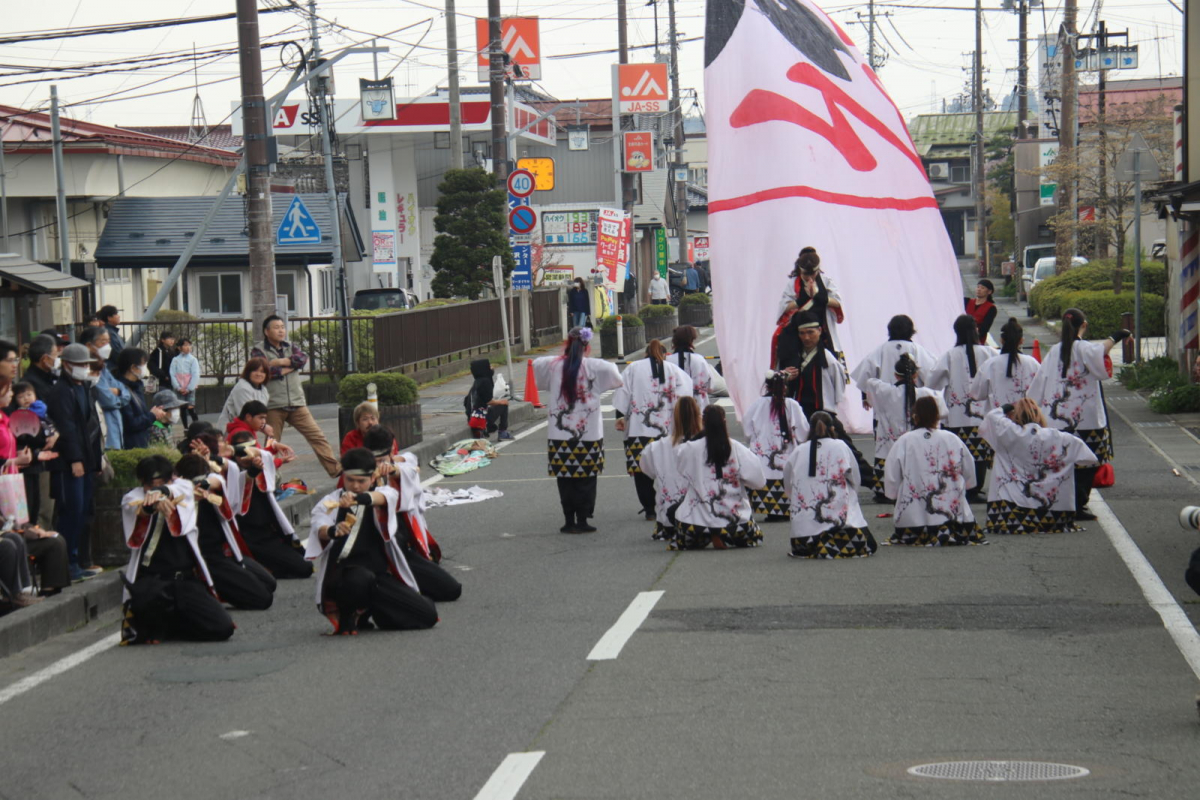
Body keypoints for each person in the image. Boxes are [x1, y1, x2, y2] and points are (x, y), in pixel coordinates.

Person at [306, 447, 438, 635]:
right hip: (346, 579)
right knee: (359, 578)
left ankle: (376, 612)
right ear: (343, 477)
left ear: (372, 479)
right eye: (350, 480)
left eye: (361, 481)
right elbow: (320, 527)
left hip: (378, 577)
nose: (356, 485)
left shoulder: (384, 494)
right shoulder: (330, 502)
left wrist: (359, 498)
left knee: (427, 615)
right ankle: (348, 614)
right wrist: (333, 530)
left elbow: (383, 497)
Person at [119, 454, 234, 644]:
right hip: (153, 583)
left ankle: (177, 623)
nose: (154, 487)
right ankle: (163, 622)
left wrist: (162, 491)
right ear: (141, 482)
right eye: (150, 484)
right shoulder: (132, 498)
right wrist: (150, 506)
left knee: (222, 628)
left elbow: (198, 485)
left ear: (171, 477)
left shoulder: (182, 488)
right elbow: (136, 511)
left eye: (162, 481)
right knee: (144, 632)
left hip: (185, 580)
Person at [1027, 308, 1128, 520]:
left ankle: (1057, 502)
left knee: (1061, 462)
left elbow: (1038, 383)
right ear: (1084, 325)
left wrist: (1033, 408)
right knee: (1089, 461)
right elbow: (1101, 357)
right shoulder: (1085, 349)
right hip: (1086, 419)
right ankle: (1077, 503)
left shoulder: (1054, 350)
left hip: (1055, 418)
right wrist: (1118, 335)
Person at [533, 327, 623, 534]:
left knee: (564, 479)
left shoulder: (552, 365)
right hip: (588, 434)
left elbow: (536, 366)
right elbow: (616, 377)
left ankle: (568, 520)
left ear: (567, 343)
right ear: (587, 346)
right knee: (587, 478)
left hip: (559, 434)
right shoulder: (596, 366)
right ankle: (582, 519)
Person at [364, 425, 461, 602]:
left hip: (404, 547)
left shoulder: (401, 467)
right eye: (374, 460)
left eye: (382, 460)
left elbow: (409, 465)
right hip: (378, 552)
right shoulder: (360, 474)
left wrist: (393, 470)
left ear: (392, 453)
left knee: (451, 589)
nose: (379, 465)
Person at [977, 400, 1099, 535]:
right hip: (1053, 517)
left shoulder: (1006, 433)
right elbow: (1090, 460)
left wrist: (1007, 407)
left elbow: (992, 416)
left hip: (1008, 517)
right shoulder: (1062, 438)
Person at [174, 453, 275, 610]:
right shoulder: (175, 496)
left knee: (269, 584)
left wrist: (203, 484)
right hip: (202, 560)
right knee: (262, 599)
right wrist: (187, 493)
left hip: (222, 554)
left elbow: (219, 479)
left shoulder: (213, 485)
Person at [883, 396, 986, 546]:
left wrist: (893, 495)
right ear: (937, 415)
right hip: (952, 511)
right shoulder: (952, 438)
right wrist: (969, 486)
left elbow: (892, 472)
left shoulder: (905, 440)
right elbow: (968, 467)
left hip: (913, 518)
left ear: (915, 416)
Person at [612, 339, 694, 520]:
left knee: (641, 471)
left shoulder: (633, 368)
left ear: (645, 354)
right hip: (670, 430)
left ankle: (649, 508)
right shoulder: (675, 371)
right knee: (672, 468)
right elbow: (686, 396)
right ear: (665, 355)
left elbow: (622, 393)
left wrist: (620, 417)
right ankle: (673, 504)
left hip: (639, 429)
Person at [251, 315, 340, 478]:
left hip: (297, 402)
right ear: (266, 331)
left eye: (282, 327)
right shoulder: (258, 350)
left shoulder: (290, 346)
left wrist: (279, 362)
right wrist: (287, 366)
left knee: (317, 436)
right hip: (273, 405)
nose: (281, 330)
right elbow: (264, 371)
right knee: (272, 444)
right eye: (276, 327)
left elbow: (301, 359)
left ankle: (336, 471)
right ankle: (269, 480)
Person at [44, 343, 105, 581]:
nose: (83, 369)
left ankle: (77, 560)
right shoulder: (60, 391)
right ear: (67, 365)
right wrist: (76, 459)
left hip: (87, 460)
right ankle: (66, 564)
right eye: (79, 365)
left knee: (83, 512)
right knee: (71, 511)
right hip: (70, 463)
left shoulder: (85, 388)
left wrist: (96, 461)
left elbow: (92, 427)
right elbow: (67, 428)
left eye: (86, 365)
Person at [782, 410, 877, 558]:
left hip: (802, 537)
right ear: (832, 428)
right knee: (869, 544)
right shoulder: (840, 446)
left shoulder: (798, 451)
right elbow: (855, 478)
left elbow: (788, 485)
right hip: (841, 529)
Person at [672, 404, 767, 550]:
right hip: (735, 522)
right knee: (755, 538)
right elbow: (759, 481)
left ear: (703, 422)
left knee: (682, 525)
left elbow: (681, 470)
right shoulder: (736, 448)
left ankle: (709, 533)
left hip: (695, 524)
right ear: (725, 421)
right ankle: (722, 533)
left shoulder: (689, 448)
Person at [927, 315, 998, 502]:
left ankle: (960, 487)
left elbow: (932, 382)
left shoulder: (950, 355)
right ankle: (976, 488)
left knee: (957, 452)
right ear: (975, 330)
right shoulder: (989, 353)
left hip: (956, 415)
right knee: (980, 454)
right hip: (982, 414)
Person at [861, 354, 946, 502]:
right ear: (916, 375)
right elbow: (943, 413)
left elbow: (869, 381)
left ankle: (887, 491)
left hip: (888, 446)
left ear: (895, 375)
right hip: (919, 445)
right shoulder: (927, 394)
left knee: (888, 464)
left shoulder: (884, 391)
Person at [228, 429, 311, 578]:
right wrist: (251, 472)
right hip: (249, 538)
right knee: (302, 569)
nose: (245, 456)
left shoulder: (262, 464)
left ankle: (266, 567)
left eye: (249, 450)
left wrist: (274, 445)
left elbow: (266, 455)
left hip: (269, 533)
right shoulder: (229, 472)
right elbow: (240, 483)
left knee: (306, 564)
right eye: (241, 452)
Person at [743, 371, 809, 522]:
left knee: (766, 473)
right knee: (788, 475)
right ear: (785, 387)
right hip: (788, 451)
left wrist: (754, 440)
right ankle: (788, 508)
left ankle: (770, 510)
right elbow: (803, 431)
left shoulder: (757, 405)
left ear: (767, 386)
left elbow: (747, 430)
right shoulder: (792, 405)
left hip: (764, 453)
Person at [640, 396, 704, 543]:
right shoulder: (707, 444)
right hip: (702, 517)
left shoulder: (656, 447)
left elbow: (647, 470)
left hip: (668, 519)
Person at [777, 248, 844, 365]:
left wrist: (820, 297)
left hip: (822, 332)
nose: (809, 278)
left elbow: (837, 302)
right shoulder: (793, 284)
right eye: (805, 274)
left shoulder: (826, 282)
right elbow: (784, 307)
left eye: (812, 274)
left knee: (828, 364)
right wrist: (800, 301)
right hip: (799, 333)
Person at [849, 314, 937, 402]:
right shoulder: (918, 350)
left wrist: (865, 397)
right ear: (911, 331)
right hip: (913, 404)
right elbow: (933, 377)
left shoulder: (880, 351)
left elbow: (864, 376)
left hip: (886, 404)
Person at [969, 318, 1041, 413]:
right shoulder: (1032, 363)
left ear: (1001, 340)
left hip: (997, 420)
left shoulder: (990, 364)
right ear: (1021, 340)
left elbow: (976, 394)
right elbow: (1041, 391)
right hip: (1026, 418)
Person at [78, 326, 129, 450]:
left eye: (108, 341)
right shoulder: (89, 371)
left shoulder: (103, 367)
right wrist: (118, 396)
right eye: (103, 342)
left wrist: (119, 392)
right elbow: (108, 400)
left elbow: (126, 393)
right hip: (103, 434)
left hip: (115, 430)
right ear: (89, 345)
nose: (107, 346)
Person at [115, 348, 168, 449]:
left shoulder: (136, 386)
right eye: (144, 364)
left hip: (141, 441)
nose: (146, 368)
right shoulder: (121, 390)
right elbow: (130, 424)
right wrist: (152, 415)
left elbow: (140, 415)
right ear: (133, 368)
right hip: (131, 446)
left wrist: (153, 413)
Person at [464, 359, 512, 442]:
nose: (492, 368)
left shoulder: (477, 382)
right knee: (504, 404)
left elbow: (466, 402)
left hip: (472, 417)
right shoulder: (485, 382)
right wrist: (501, 401)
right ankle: (502, 432)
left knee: (493, 406)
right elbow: (489, 401)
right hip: (480, 418)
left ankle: (488, 427)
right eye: (489, 366)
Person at [217, 358, 271, 429]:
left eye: (262, 371)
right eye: (255, 370)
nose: (258, 374)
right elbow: (247, 415)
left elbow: (261, 412)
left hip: (247, 429)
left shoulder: (263, 390)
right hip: (231, 429)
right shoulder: (242, 388)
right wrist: (264, 427)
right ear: (248, 372)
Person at [669, 325, 714, 410]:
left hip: (675, 407)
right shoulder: (699, 360)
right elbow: (710, 386)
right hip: (698, 406)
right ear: (691, 340)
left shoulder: (667, 361)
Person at [169, 337, 200, 429]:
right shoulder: (175, 360)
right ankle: (185, 428)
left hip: (190, 388)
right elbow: (172, 374)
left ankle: (197, 425)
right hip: (179, 389)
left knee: (191, 408)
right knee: (182, 408)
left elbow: (195, 374)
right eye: (185, 345)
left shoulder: (193, 359)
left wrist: (189, 388)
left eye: (189, 345)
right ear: (179, 347)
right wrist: (178, 387)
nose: (188, 347)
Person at [96, 305, 125, 372]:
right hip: (112, 369)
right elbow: (116, 353)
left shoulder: (112, 332)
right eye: (116, 314)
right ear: (109, 318)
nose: (118, 316)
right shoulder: (109, 333)